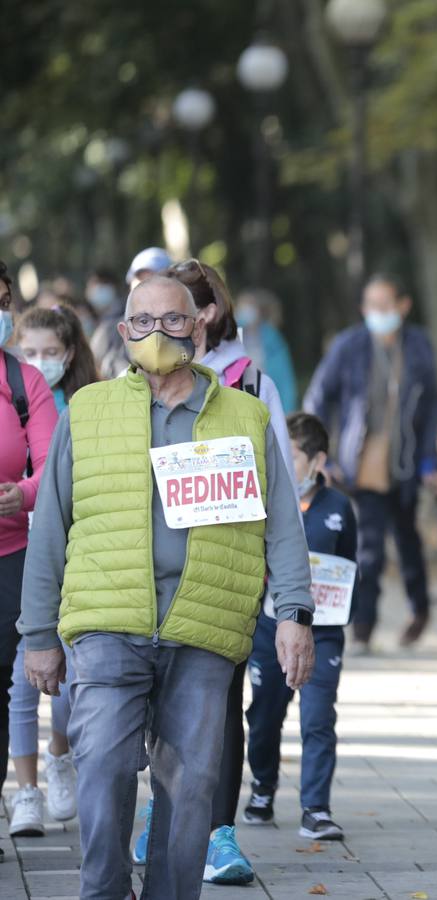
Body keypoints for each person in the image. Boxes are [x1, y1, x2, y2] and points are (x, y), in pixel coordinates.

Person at [18, 275, 316, 900]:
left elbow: (282, 523)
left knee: (190, 789)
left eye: (174, 320)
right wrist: (38, 634)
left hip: (205, 626)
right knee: (101, 772)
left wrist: (294, 612)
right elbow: (50, 527)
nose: (159, 333)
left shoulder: (245, 416)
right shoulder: (89, 413)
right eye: (144, 321)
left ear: (199, 327)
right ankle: (103, 891)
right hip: (106, 624)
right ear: (124, 332)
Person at [156, 257, 297, 884]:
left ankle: (217, 835)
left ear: (207, 313)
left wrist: (285, 587)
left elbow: (284, 484)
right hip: (154, 570)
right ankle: (162, 819)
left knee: (220, 701)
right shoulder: (139, 384)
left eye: (175, 310)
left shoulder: (250, 383)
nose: (162, 325)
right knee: (157, 701)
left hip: (230, 572)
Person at [304, 274, 437, 653]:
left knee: (409, 540)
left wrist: (431, 461)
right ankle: (364, 626)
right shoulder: (349, 346)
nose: (376, 313)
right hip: (362, 462)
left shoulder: (418, 346)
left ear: (403, 305)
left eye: (383, 305)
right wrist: (323, 455)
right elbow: (318, 396)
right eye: (369, 306)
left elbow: (431, 405)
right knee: (369, 547)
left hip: (407, 460)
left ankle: (420, 612)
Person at [242, 413, 356, 842]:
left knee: (318, 716)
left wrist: (343, 610)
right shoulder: (262, 502)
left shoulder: (340, 509)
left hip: (323, 632)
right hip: (270, 628)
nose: (283, 465)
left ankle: (316, 808)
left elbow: (350, 568)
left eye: (291, 456)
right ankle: (262, 788)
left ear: (317, 459)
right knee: (264, 716)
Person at [6, 303, 97, 837]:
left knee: (65, 683)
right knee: (20, 680)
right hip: (23, 551)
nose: (38, 362)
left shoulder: (88, 404)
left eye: (50, 353)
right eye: (29, 352)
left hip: (75, 553)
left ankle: (60, 751)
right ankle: (26, 791)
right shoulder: (15, 396)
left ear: (71, 353)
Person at [1, 260, 59, 862]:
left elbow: (49, 464)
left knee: (2, 688)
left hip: (10, 556)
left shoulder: (25, 384)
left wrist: (23, 493)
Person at [91, 247, 171, 379]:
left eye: (153, 279)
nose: (145, 287)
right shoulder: (109, 331)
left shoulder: (183, 328)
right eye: (140, 279)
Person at [235, 288, 298, 413]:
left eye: (250, 307)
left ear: (259, 310)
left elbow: (286, 382)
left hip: (268, 407)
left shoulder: (273, 338)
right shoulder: (232, 336)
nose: (247, 312)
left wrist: (287, 412)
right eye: (244, 307)